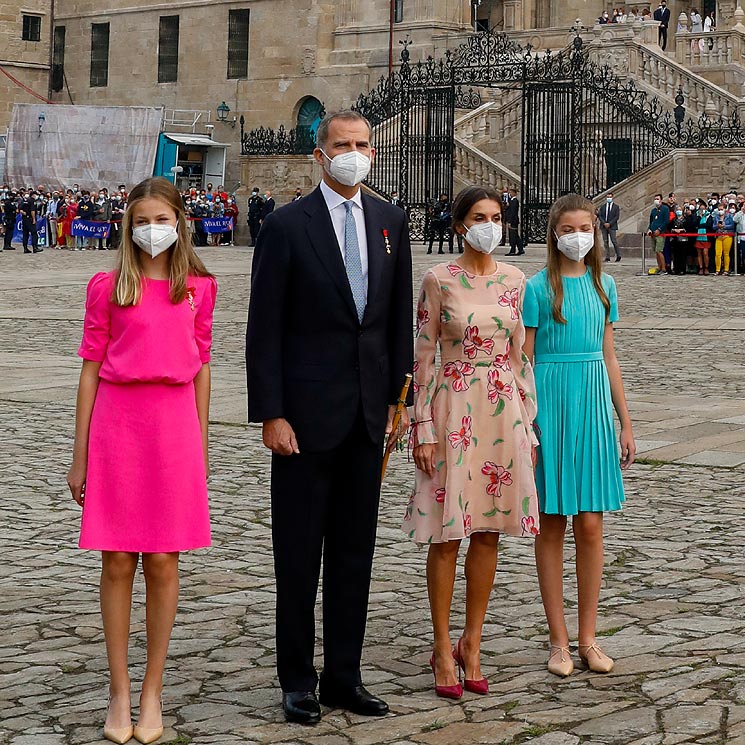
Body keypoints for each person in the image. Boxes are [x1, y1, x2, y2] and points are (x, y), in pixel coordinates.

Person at [246, 110, 413, 725]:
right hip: (304, 421)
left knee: (353, 553)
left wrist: (399, 401)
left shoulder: (391, 222)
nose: (353, 153)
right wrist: (271, 412)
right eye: (342, 144)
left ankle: (345, 673)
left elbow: (395, 323)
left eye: (363, 144)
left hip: (369, 417)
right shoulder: (289, 225)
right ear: (321, 154)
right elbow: (263, 329)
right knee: (298, 553)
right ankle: (297, 678)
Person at [67, 176, 216, 745]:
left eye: (162, 219)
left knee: (163, 562)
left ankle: (153, 687)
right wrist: (79, 453)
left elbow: (202, 366)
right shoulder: (108, 286)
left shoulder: (199, 289)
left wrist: (200, 445)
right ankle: (120, 688)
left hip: (174, 426)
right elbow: (88, 369)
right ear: (129, 226)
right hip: (118, 424)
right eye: (143, 220)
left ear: (180, 222)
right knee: (117, 562)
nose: (154, 230)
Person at [403, 186, 540, 701]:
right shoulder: (438, 279)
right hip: (452, 408)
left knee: (489, 531)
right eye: (480, 217)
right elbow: (423, 355)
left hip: (502, 410)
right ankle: (441, 646)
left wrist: (529, 420)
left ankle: (472, 641)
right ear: (460, 224)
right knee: (446, 535)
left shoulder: (515, 280)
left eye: (497, 217)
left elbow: (520, 356)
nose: (490, 225)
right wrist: (422, 425)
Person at [523, 193, 635, 678]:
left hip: (590, 406)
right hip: (548, 403)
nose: (578, 236)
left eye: (585, 227)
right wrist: (523, 421)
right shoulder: (536, 288)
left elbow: (609, 356)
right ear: (554, 233)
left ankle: (589, 637)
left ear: (595, 231)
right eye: (569, 228)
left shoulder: (604, 283)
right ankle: (558, 640)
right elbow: (523, 360)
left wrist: (625, 421)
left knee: (590, 524)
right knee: (552, 522)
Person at [647, 193, 670, 274]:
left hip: (660, 233)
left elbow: (666, 221)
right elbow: (651, 221)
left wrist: (659, 229)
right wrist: (649, 229)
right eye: (655, 199)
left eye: (658, 199)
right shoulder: (653, 210)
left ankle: (663, 268)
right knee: (656, 251)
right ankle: (659, 267)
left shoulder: (665, 209)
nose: (656, 200)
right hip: (653, 233)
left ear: (661, 200)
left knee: (659, 250)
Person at [597, 193, 621, 262]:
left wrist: (610, 223)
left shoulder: (616, 207)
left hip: (612, 226)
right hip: (603, 226)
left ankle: (618, 255)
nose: (609, 198)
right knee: (605, 241)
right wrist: (604, 223)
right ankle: (607, 256)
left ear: (612, 197)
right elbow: (600, 215)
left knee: (614, 241)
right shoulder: (603, 206)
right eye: (608, 197)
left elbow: (616, 216)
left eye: (610, 197)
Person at [714, 203, 735, 275]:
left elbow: (732, 226)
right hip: (719, 236)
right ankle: (717, 270)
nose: (720, 211)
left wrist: (724, 226)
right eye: (719, 209)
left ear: (725, 209)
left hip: (727, 236)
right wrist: (717, 226)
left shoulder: (729, 216)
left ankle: (726, 269)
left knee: (726, 253)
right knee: (718, 254)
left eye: (721, 209)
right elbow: (713, 227)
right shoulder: (716, 217)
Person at [693, 202, 713, 275]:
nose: (702, 210)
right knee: (699, 253)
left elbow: (708, 225)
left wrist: (700, 225)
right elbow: (694, 224)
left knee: (705, 253)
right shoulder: (696, 215)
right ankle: (701, 268)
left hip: (706, 237)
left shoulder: (709, 216)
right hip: (698, 236)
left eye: (703, 209)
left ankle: (706, 267)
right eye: (701, 209)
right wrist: (699, 217)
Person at [19, 189, 41, 253]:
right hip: (30, 219)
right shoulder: (32, 201)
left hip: (24, 219)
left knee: (25, 234)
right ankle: (35, 247)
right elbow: (32, 211)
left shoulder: (26, 200)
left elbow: (20, 209)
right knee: (34, 233)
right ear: (33, 195)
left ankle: (25, 248)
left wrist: (23, 212)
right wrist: (34, 219)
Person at [505, 188, 523, 255]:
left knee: (513, 236)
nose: (510, 194)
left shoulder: (515, 201)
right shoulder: (511, 201)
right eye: (510, 193)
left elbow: (512, 213)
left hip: (513, 221)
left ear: (515, 193)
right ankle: (520, 249)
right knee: (515, 236)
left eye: (511, 192)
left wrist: (509, 222)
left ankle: (513, 250)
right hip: (513, 220)